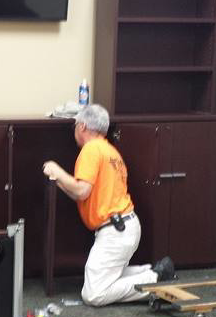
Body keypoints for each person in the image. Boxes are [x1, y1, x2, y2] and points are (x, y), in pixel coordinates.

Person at [42, 103, 175, 306]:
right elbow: (81, 194)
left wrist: (55, 169)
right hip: (124, 227)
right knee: (104, 278)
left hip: (116, 232)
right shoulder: (110, 151)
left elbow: (81, 190)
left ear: (83, 126)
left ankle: (154, 280)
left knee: (94, 294)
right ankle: (150, 271)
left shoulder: (91, 149)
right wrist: (58, 180)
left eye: (75, 125)